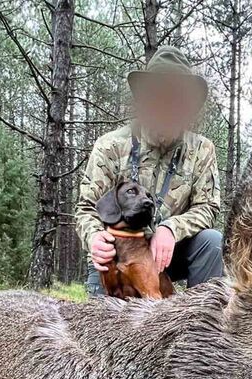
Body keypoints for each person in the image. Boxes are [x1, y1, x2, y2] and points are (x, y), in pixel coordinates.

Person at [75, 46, 223, 296]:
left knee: (213, 243)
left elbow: (208, 207)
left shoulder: (202, 149)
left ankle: (201, 320)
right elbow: (86, 207)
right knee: (98, 327)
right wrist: (94, 238)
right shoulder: (110, 145)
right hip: (118, 250)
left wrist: (171, 228)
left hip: (170, 252)